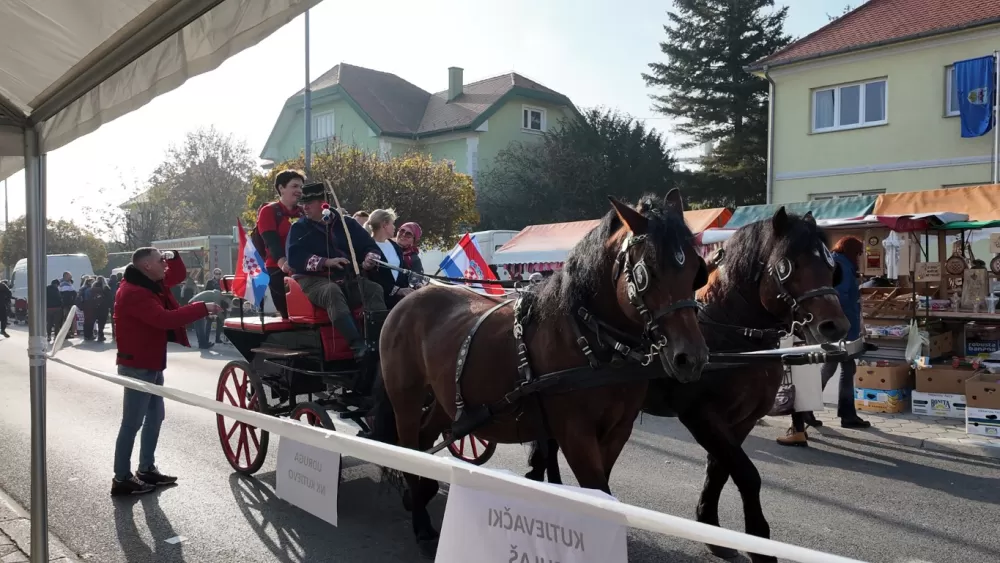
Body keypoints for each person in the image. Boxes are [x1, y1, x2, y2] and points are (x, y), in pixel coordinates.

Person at [111, 247, 220, 495]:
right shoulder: (135, 292)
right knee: (132, 423)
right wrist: (203, 308)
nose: (165, 265)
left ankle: (146, 468)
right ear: (147, 266)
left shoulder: (149, 282)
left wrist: (174, 255)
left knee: (154, 417)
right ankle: (121, 477)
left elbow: (178, 275)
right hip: (138, 365)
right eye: (161, 261)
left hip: (150, 363)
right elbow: (164, 319)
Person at [778, 236, 870, 447]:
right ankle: (844, 414)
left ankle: (808, 409)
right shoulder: (842, 265)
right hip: (841, 327)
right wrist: (846, 327)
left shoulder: (835, 261)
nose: (859, 257)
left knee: (831, 368)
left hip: (841, 326)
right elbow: (841, 298)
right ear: (852, 251)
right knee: (845, 369)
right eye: (859, 253)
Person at [286, 182, 386, 365]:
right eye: (303, 203)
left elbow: (369, 246)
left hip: (347, 279)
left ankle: (379, 343)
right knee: (332, 292)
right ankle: (358, 347)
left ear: (324, 203)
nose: (304, 207)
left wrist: (370, 259)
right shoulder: (299, 228)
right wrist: (326, 262)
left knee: (374, 289)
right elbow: (294, 259)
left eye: (310, 202)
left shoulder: (347, 224)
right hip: (313, 281)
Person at [256, 169, 305, 318]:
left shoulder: (304, 212)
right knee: (288, 313)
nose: (299, 191)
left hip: (303, 267)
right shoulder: (269, 211)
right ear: (281, 188)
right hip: (278, 269)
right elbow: (271, 241)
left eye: (301, 187)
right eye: (294, 186)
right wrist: (283, 262)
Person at [365, 208, 415, 308]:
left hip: (400, 302)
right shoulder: (367, 247)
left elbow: (403, 271)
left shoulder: (395, 245)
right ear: (384, 225)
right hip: (380, 303)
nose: (394, 227)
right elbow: (371, 278)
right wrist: (396, 290)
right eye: (392, 224)